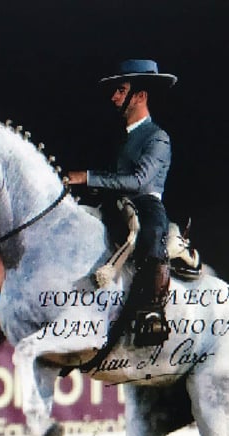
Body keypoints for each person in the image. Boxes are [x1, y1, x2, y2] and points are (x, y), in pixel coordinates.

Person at [67, 58, 177, 347]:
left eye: (121, 90)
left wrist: (86, 177)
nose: (115, 97)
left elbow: (139, 181)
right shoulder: (121, 138)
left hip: (145, 203)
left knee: (152, 232)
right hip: (116, 202)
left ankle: (152, 312)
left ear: (140, 96)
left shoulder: (158, 137)